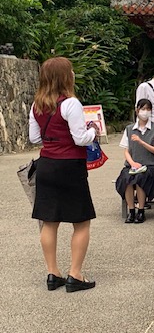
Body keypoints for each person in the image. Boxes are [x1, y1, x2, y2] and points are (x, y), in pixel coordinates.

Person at [28, 56, 98, 292]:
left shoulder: (37, 105)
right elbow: (80, 138)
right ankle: (75, 275)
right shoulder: (71, 103)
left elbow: (34, 138)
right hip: (70, 166)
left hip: (46, 165)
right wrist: (93, 131)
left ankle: (52, 273)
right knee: (81, 221)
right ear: (66, 77)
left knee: (49, 221)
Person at [116, 99, 154, 224]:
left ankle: (141, 210)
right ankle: (131, 210)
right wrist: (132, 163)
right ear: (137, 110)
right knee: (126, 178)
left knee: (140, 178)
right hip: (133, 165)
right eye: (143, 109)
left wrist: (141, 142)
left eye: (148, 109)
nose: (145, 112)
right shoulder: (129, 129)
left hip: (150, 166)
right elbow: (126, 151)